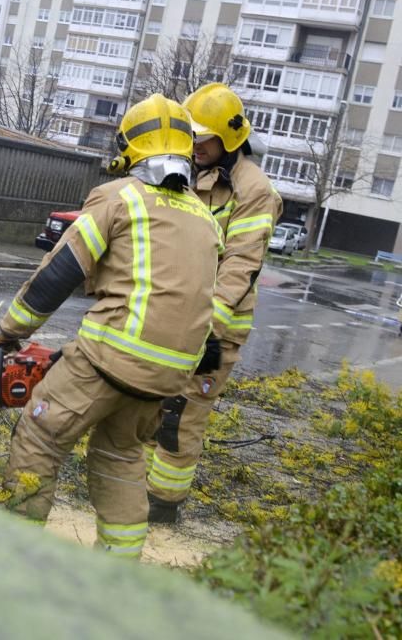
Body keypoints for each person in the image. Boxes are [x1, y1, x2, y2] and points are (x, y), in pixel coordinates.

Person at [0, 94, 223, 557]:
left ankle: (9, 560)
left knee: (41, 436)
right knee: (121, 456)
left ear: (130, 147)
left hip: (107, 361)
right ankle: (116, 573)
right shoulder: (205, 218)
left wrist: (9, 333)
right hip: (166, 379)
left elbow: (58, 276)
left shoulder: (119, 198)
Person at [145, 83, 283, 523]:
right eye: (192, 135)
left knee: (181, 417)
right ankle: (131, 489)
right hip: (173, 313)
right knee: (148, 403)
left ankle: (163, 506)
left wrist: (207, 332)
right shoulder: (192, 171)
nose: (194, 144)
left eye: (202, 137)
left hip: (213, 330)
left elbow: (242, 266)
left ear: (228, 139)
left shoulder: (253, 190)